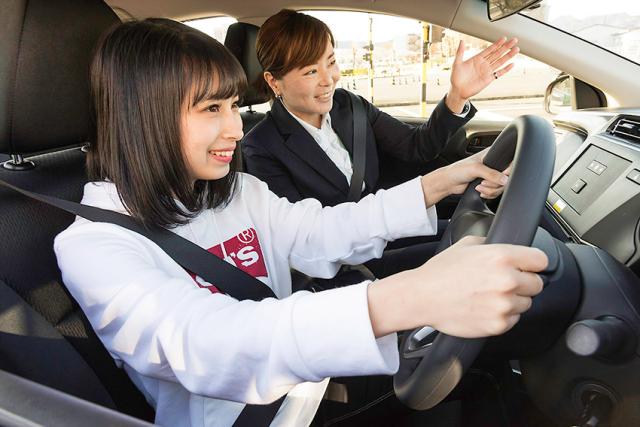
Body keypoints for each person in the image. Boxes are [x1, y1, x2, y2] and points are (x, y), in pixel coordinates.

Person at [54, 18, 546, 427]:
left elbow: (323, 231)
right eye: (211, 109)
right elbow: (201, 341)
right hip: (254, 417)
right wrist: (414, 296)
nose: (234, 128)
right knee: (477, 375)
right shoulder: (96, 244)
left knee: (480, 365)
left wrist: (437, 183)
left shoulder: (235, 192)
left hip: (310, 381)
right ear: (145, 117)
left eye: (232, 106)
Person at [243, 10, 517, 278]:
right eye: (311, 71)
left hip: (392, 227)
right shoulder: (261, 146)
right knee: (487, 257)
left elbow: (417, 146)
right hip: (347, 263)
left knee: (493, 233)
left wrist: (457, 95)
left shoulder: (349, 105)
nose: (329, 79)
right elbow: (306, 240)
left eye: (331, 61)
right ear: (273, 82)